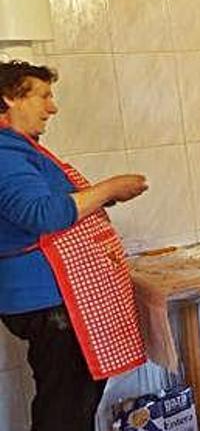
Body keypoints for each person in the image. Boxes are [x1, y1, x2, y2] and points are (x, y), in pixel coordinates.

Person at [0, 60, 149, 430]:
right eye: (43, 96)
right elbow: (41, 214)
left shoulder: (20, 148)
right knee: (67, 405)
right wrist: (108, 189)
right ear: (8, 99)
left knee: (72, 398)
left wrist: (98, 200)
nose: (53, 107)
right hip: (46, 301)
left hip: (49, 298)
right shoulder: (4, 153)